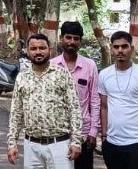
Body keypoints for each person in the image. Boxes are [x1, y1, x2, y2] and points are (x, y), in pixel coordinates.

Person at [7, 33, 82, 169]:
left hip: (59, 145)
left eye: (42, 48)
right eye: (33, 49)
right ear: (27, 51)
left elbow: (74, 109)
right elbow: (16, 112)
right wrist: (12, 143)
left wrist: (76, 141)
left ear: (50, 49)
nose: (38, 52)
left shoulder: (62, 74)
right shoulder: (22, 77)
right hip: (31, 146)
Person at [98, 30, 138, 169]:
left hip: (137, 142)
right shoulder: (104, 75)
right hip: (112, 143)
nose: (120, 50)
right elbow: (104, 107)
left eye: (124, 46)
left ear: (132, 48)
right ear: (111, 49)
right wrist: (104, 136)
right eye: (116, 47)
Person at [50, 22, 100, 169]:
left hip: (83, 134)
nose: (71, 42)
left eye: (76, 38)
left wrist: (93, 131)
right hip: (57, 133)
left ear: (80, 41)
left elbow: (95, 100)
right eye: (68, 37)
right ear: (61, 38)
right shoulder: (51, 66)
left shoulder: (90, 66)